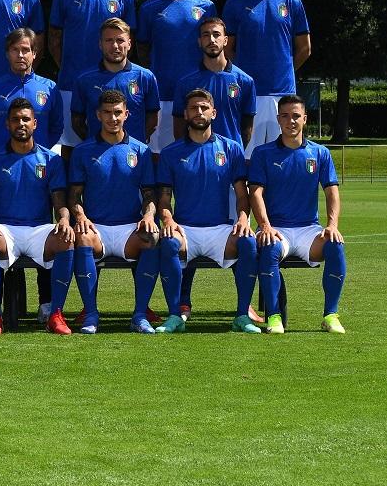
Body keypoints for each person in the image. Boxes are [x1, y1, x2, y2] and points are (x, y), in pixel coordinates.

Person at [154, 89, 260, 333]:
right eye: (193, 108)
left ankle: (242, 315)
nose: (199, 112)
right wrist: (167, 218)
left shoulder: (231, 148)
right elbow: (164, 197)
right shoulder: (171, 153)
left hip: (220, 229)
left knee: (248, 243)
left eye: (204, 108)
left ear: (214, 112)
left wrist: (243, 219)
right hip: (185, 229)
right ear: (185, 113)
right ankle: (174, 315)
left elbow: (242, 195)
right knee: (168, 243)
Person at [0, 98, 76, 335]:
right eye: (15, 120)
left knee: (66, 239)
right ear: (7, 125)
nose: (21, 123)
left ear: (35, 124)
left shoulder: (51, 159)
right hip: (5, 229)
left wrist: (63, 219)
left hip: (38, 229)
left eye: (26, 119)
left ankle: (56, 313)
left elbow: (60, 201)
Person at [248, 94, 348, 334]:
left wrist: (332, 225)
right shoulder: (263, 153)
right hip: (276, 228)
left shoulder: (320, 153)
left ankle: (330, 315)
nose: (290, 121)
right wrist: (265, 225)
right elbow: (255, 193)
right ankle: (274, 317)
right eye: (285, 116)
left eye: (295, 116)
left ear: (305, 119)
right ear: (278, 119)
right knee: (269, 247)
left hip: (308, 229)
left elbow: (332, 192)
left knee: (335, 245)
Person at [67, 90, 163, 334]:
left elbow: (150, 194)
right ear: (98, 115)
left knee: (152, 237)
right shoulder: (83, 151)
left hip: (129, 228)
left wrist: (149, 216)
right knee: (81, 236)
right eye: (107, 113)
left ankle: (140, 315)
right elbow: (74, 195)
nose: (113, 118)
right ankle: (90, 314)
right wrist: (81, 217)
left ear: (127, 114)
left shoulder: (141, 151)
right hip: (95, 227)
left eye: (118, 112)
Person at [48, 0, 136, 151]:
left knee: (114, 142)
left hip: (113, 82)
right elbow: (54, 40)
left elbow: (128, 42)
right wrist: (69, 66)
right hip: (71, 82)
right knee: (70, 145)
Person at [223, 0, 311, 154]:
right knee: (243, 157)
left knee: (281, 157)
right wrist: (244, 77)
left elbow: (304, 48)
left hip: (282, 94)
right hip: (246, 94)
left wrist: (284, 71)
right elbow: (227, 49)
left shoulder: (292, 1)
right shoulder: (235, 2)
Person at [136, 0, 217, 153]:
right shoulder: (149, 8)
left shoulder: (206, 7)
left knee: (196, 151)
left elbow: (213, 45)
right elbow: (142, 47)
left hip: (197, 94)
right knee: (158, 153)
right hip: (162, 91)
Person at [0, 28, 63, 156]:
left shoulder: (50, 88)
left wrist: (41, 153)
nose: (20, 55)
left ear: (34, 53)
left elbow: (56, 128)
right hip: (1, 164)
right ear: (7, 53)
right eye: (15, 49)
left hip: (37, 164)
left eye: (25, 50)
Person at [71, 18, 159, 144]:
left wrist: (133, 145)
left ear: (129, 44)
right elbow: (77, 122)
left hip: (133, 157)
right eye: (109, 40)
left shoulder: (145, 77)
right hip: (97, 156)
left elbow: (152, 121)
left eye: (120, 40)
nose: (115, 46)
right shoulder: (84, 80)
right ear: (100, 44)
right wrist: (95, 144)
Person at [172, 16, 256, 146]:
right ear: (199, 41)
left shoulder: (244, 81)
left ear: (226, 40)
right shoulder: (186, 82)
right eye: (206, 35)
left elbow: (247, 127)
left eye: (216, 35)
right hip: (195, 154)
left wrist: (235, 151)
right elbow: (179, 125)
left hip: (231, 157)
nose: (212, 40)